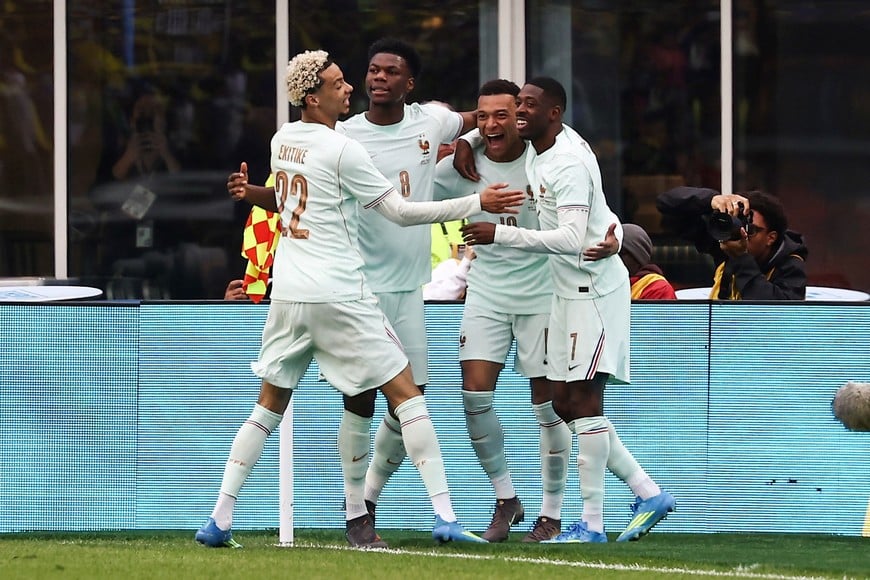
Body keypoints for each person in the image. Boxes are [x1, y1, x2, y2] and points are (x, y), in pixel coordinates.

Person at [197, 49, 524, 549]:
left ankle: (219, 519)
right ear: (314, 97)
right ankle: (443, 515)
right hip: (341, 292)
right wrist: (478, 200)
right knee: (407, 397)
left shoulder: (282, 138)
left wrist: (251, 193)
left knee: (268, 406)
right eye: (339, 82)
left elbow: (288, 199)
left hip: (291, 291)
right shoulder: (344, 147)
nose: (351, 87)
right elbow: (400, 211)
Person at [461, 77, 675, 543]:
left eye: (529, 105)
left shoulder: (568, 161)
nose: (519, 111)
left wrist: (500, 234)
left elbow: (572, 239)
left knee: (583, 402)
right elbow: (595, 212)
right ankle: (647, 492)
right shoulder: (546, 147)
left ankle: (593, 523)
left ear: (554, 112)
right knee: (562, 401)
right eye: (518, 103)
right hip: (564, 292)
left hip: (593, 291)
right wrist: (469, 138)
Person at [656, 187, 807, 300]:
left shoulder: (790, 265)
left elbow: (775, 313)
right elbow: (665, 204)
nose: (742, 235)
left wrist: (741, 258)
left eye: (750, 229)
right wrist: (710, 200)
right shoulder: (726, 245)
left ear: (771, 238)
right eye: (740, 225)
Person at [619, 223, 677, 299]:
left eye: (621, 253)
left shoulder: (658, 288)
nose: (616, 258)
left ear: (638, 257)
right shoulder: (605, 284)